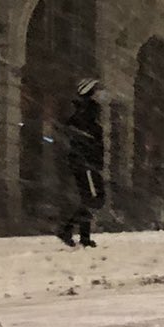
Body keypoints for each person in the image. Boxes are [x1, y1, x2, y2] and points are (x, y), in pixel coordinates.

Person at [57, 77, 106, 248]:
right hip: (87, 163)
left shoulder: (81, 115)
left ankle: (84, 236)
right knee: (95, 199)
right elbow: (89, 140)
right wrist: (91, 160)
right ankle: (67, 229)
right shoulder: (87, 115)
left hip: (84, 162)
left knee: (88, 198)